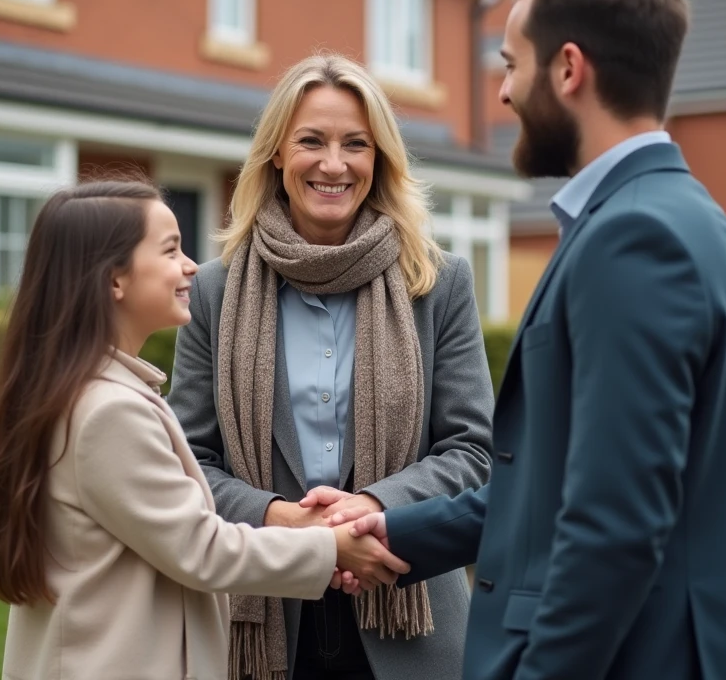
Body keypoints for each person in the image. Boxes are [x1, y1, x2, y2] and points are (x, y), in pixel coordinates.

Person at [339, 0, 726, 680]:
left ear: (568, 69)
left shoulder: (632, 240)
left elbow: (614, 526)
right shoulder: (688, 217)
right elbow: (554, 485)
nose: (503, 94)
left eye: (510, 64)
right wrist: (397, 529)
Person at [0, 178, 409, 680]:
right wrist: (332, 547)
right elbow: (201, 548)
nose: (191, 266)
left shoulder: (84, 392)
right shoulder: (109, 412)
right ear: (114, 279)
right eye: (171, 251)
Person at [166, 53, 495, 680]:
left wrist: (370, 507)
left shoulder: (439, 282)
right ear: (276, 155)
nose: (334, 164)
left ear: (380, 160)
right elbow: (188, 463)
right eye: (311, 141)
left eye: (356, 145)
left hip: (409, 615)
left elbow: (473, 450)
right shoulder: (214, 290)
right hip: (263, 619)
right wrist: (285, 520)